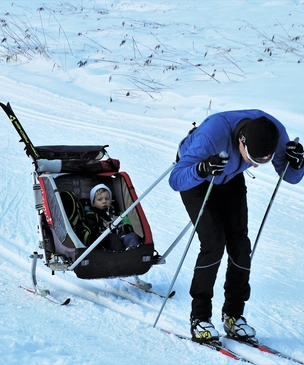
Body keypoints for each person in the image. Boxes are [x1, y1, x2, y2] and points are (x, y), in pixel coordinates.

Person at [168, 109, 304, 343]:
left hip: (229, 177)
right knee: (213, 242)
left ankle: (233, 315)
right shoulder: (212, 135)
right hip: (198, 178)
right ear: (242, 141)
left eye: (262, 161)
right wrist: (202, 169)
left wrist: (298, 162)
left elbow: (290, 177)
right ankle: (199, 317)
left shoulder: (274, 131)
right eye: (252, 159)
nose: (255, 166)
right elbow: (176, 179)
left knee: (241, 246)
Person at [85, 183, 140, 250]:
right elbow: (93, 230)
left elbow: (126, 222)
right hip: (104, 241)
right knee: (113, 238)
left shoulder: (117, 213)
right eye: (100, 199)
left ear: (111, 200)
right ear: (93, 203)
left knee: (132, 236)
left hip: (120, 236)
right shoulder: (92, 215)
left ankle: (134, 251)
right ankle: (119, 255)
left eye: (107, 199)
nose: (104, 201)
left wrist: (126, 227)